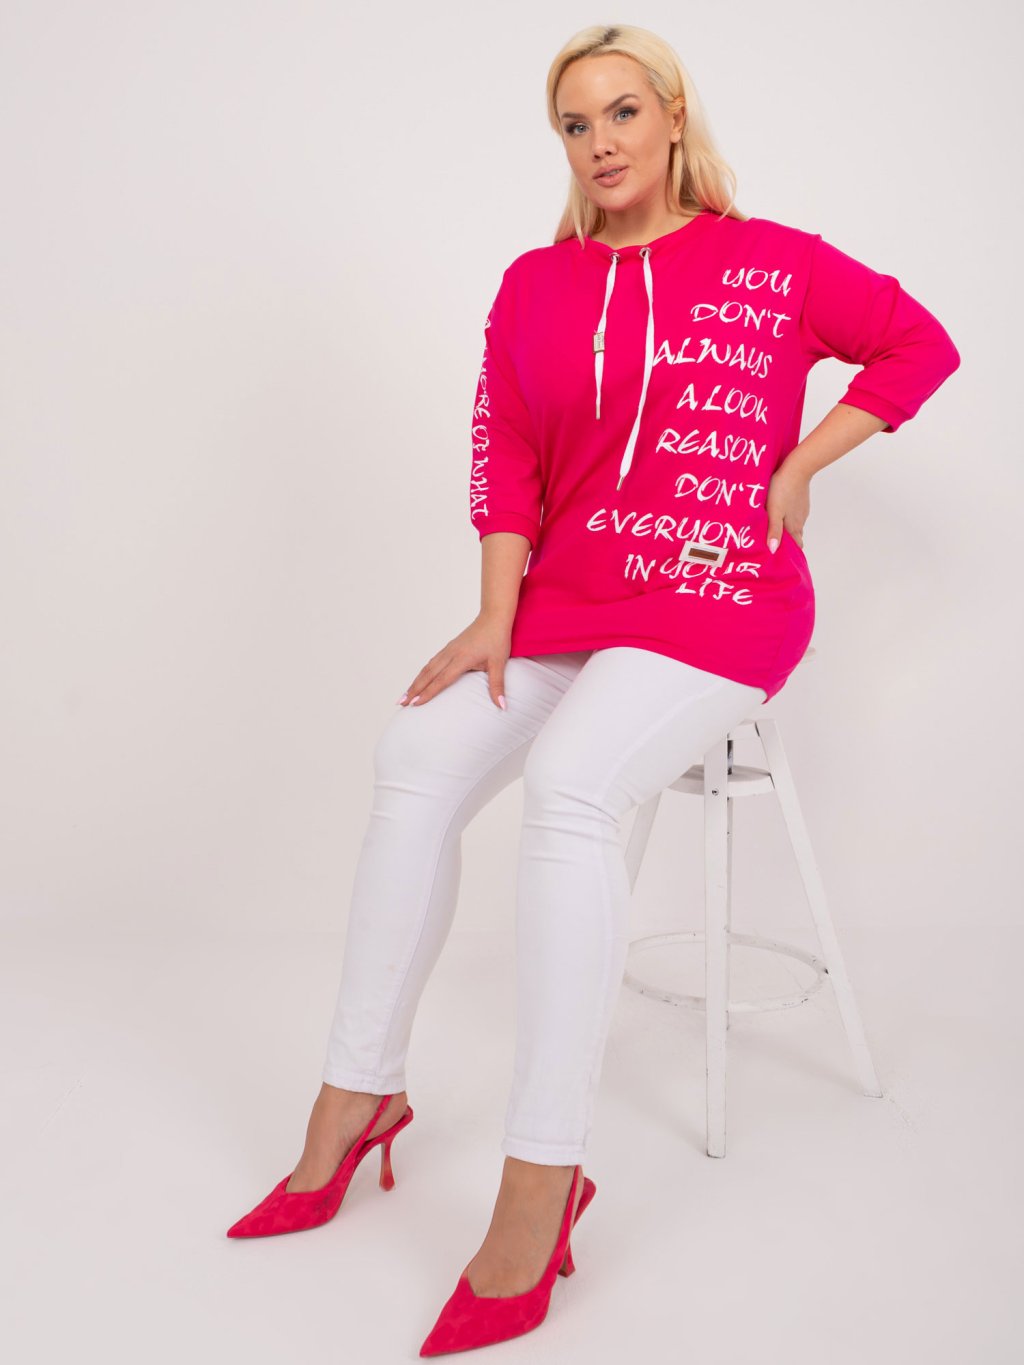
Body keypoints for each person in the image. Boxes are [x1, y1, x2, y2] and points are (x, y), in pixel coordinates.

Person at [226, 22, 960, 1357]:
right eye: (576, 123)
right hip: (568, 600)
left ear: (674, 116)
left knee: (570, 788)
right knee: (414, 754)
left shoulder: (774, 262)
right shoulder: (534, 284)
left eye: (624, 111)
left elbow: (919, 345)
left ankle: (543, 1174)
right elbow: (506, 449)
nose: (602, 141)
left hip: (718, 598)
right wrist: (494, 615)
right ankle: (356, 1094)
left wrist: (800, 465)